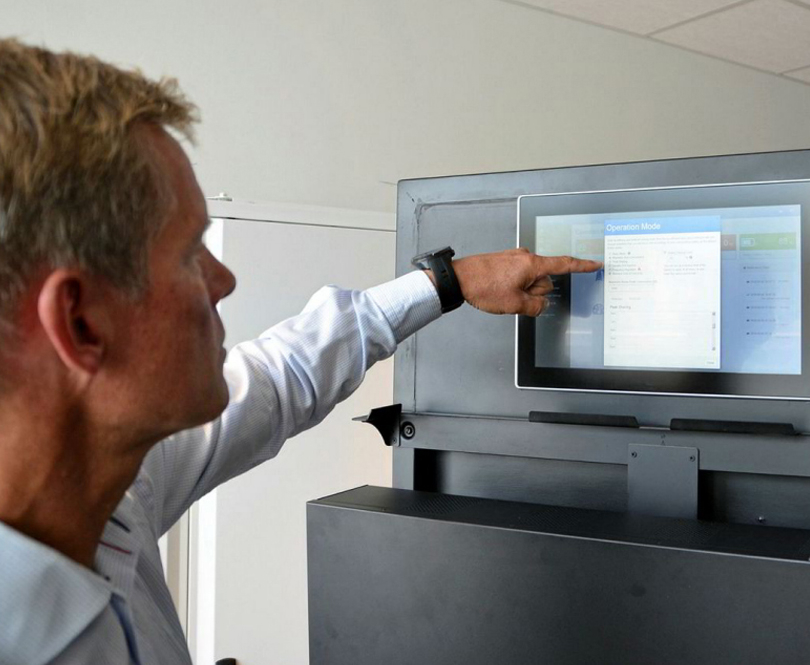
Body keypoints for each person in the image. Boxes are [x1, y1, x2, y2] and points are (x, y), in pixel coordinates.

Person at [0, 38, 600, 665]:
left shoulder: (107, 492)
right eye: (188, 254)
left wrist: (448, 282)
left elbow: (279, 376)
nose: (223, 279)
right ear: (81, 322)